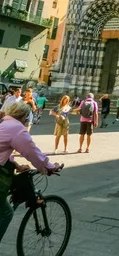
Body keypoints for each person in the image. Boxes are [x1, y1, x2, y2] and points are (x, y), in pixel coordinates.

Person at [0, 101, 61, 242]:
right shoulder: (17, 128)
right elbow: (32, 152)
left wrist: (15, 165)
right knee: (6, 213)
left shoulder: (3, 123)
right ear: (24, 116)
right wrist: (48, 167)